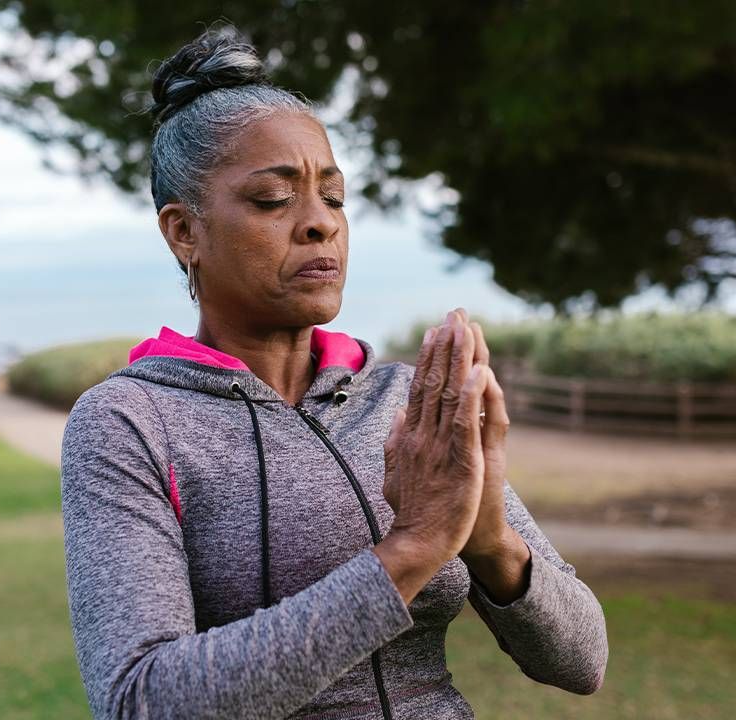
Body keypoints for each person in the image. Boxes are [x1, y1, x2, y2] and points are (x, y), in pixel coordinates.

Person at [60, 26, 608, 719]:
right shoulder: (130, 424)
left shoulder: (407, 402)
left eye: (334, 196)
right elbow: (141, 700)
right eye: (272, 199)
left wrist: (489, 535)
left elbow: (582, 662)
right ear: (183, 231)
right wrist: (411, 550)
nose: (320, 224)